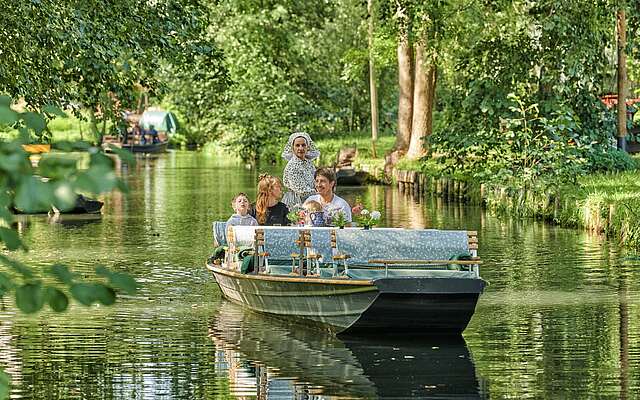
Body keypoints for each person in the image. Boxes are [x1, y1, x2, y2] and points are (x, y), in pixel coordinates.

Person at [281, 132, 320, 210]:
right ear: (292, 148)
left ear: (307, 147)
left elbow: (315, 180)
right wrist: (320, 193)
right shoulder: (292, 166)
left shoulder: (309, 163)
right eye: (297, 145)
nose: (301, 148)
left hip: (311, 199)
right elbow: (301, 191)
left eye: (303, 145)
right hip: (295, 201)